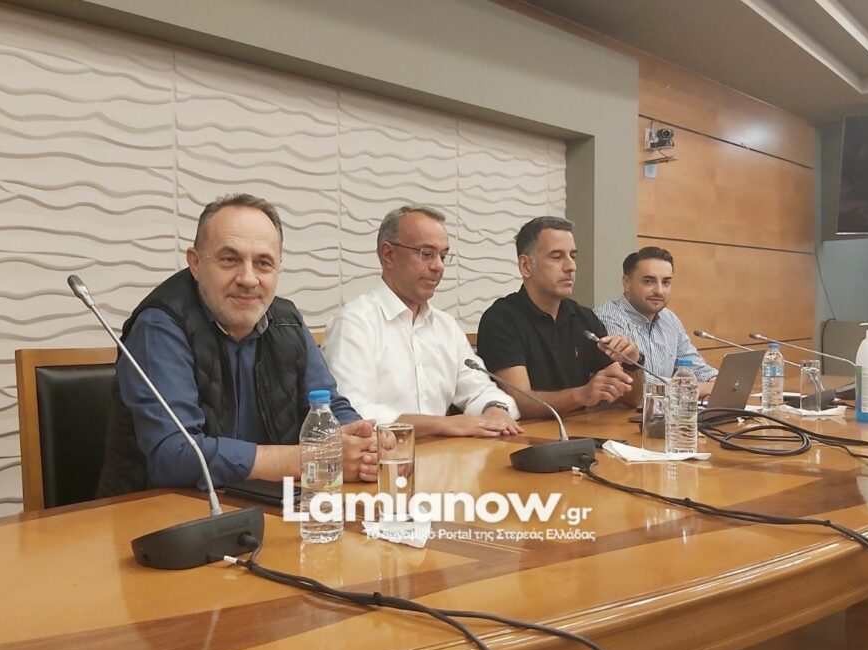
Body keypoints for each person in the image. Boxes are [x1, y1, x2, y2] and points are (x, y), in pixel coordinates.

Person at [97, 193, 376, 498]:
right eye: (229, 260)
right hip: (161, 511)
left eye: (263, 263)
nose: (248, 278)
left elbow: (328, 406)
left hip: (264, 503)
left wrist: (362, 442)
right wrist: (311, 459)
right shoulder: (160, 326)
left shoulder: (287, 322)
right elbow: (175, 455)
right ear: (195, 263)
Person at [322, 206, 522, 438]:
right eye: (426, 254)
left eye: (443, 256)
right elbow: (351, 414)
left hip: (444, 454)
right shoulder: (354, 323)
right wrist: (442, 424)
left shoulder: (446, 327)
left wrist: (495, 409)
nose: (438, 266)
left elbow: (480, 389)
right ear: (388, 255)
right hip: (380, 456)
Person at [477, 217, 643, 418]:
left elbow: (631, 399)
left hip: (578, 430)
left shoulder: (583, 318)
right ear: (526, 266)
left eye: (573, 256)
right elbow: (521, 402)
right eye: (557, 257)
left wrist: (632, 362)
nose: (570, 266)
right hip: (526, 433)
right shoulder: (501, 319)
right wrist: (582, 395)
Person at [593, 246, 717, 398]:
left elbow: (694, 366)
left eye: (666, 282)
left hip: (664, 411)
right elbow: (633, 385)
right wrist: (697, 388)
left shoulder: (670, 319)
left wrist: (716, 381)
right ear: (626, 282)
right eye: (649, 281)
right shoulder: (607, 318)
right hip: (620, 412)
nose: (659, 290)